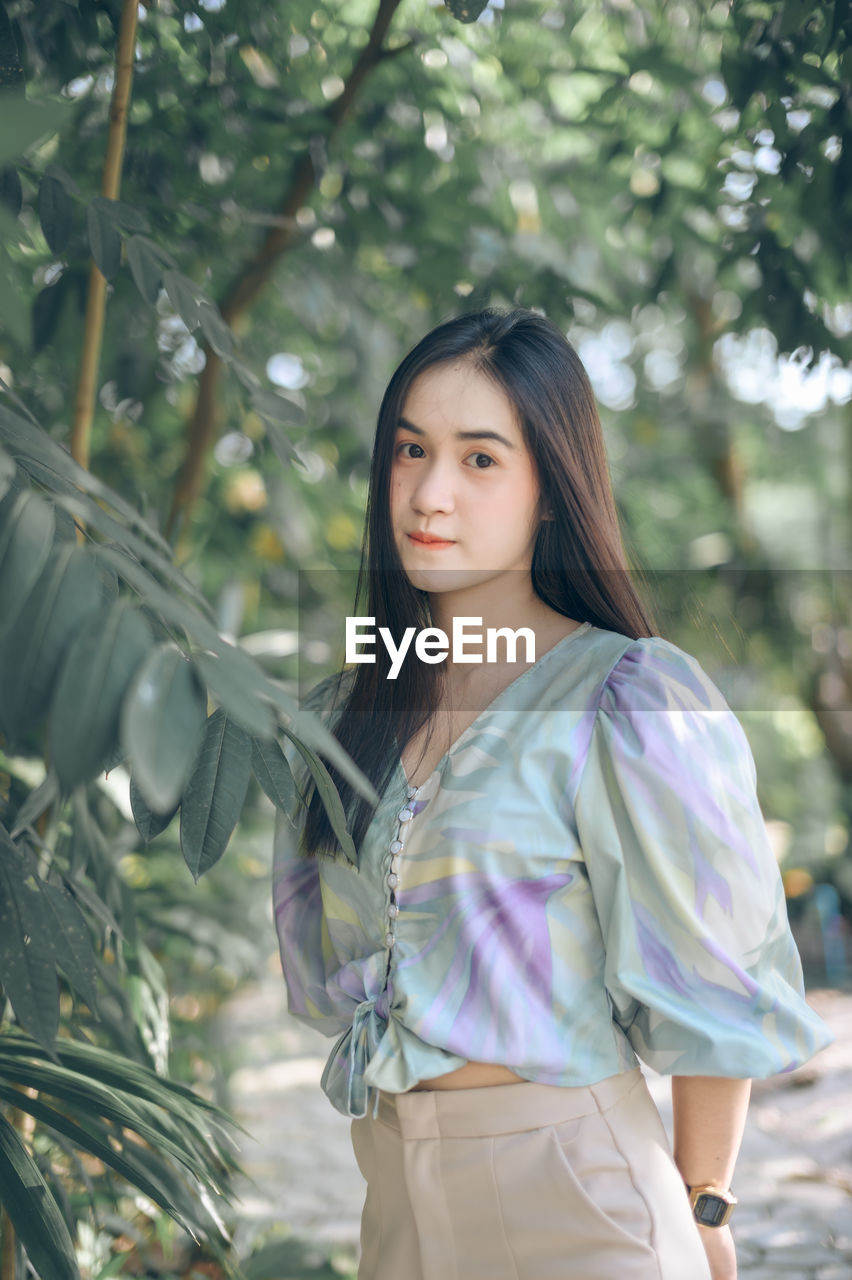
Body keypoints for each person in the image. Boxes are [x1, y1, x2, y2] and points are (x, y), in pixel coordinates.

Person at [271, 307, 832, 1280]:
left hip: (580, 1198)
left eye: (479, 458)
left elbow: (716, 977)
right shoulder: (345, 714)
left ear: (548, 490)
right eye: (411, 449)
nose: (431, 491)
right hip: (397, 1200)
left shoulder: (624, 698)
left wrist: (706, 1202)